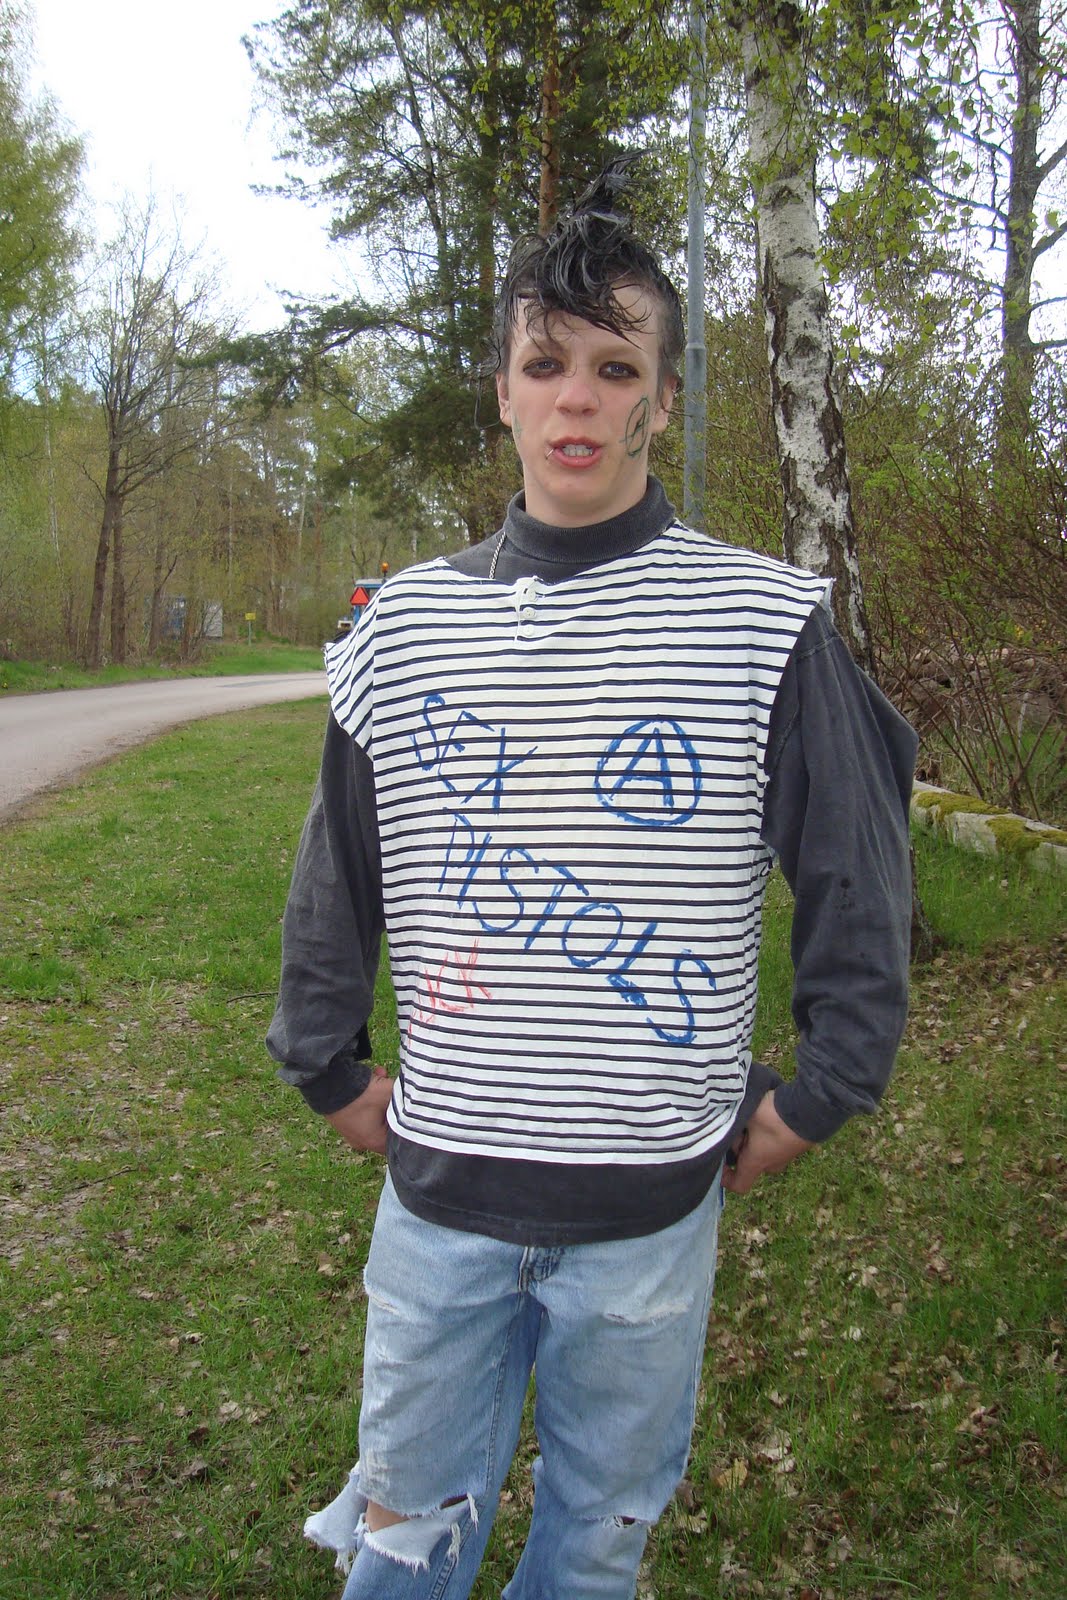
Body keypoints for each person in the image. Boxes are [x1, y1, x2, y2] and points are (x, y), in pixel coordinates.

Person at [267, 163, 917, 1600]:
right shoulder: (402, 627)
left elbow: (860, 875)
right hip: (441, 1204)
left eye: (616, 369)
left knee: (597, 1541)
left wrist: (825, 1089)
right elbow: (337, 871)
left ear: (661, 401)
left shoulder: (760, 619)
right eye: (546, 363)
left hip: (647, 1221)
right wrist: (324, 1061)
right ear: (502, 390)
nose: (577, 399)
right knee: (406, 1540)